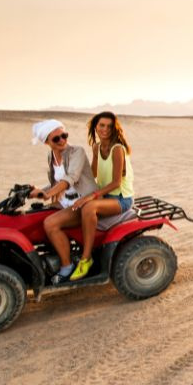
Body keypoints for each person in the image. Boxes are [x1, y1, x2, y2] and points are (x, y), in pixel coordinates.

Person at [66, 111, 136, 283]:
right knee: (72, 207)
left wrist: (92, 197)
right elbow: (93, 174)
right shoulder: (97, 147)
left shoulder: (117, 149)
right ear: (95, 127)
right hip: (104, 196)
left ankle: (86, 258)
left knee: (89, 207)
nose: (105, 129)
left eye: (109, 126)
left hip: (120, 198)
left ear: (114, 129)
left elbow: (116, 182)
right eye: (101, 125)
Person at [28, 119, 99, 282]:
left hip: (83, 201)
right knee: (34, 217)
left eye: (64, 136)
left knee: (50, 223)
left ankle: (66, 266)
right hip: (65, 201)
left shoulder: (76, 152)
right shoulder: (51, 156)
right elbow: (55, 183)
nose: (62, 141)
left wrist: (48, 194)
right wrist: (39, 191)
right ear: (47, 142)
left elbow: (71, 178)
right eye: (56, 139)